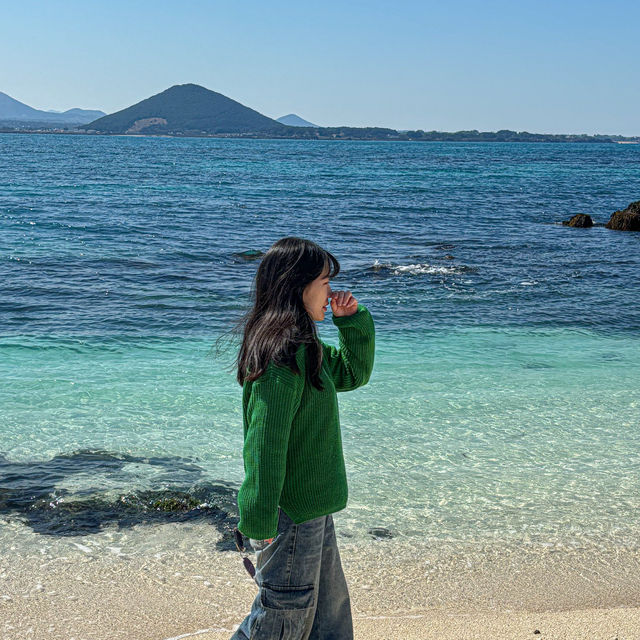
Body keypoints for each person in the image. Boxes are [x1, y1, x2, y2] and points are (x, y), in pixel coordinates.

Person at [230, 237, 376, 639]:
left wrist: (353, 322)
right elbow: (264, 444)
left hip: (315, 507)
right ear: (299, 286)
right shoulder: (282, 355)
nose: (331, 293)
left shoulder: (307, 348)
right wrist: (258, 520)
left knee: (328, 616)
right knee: (282, 615)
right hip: (291, 512)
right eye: (325, 282)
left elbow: (350, 374)